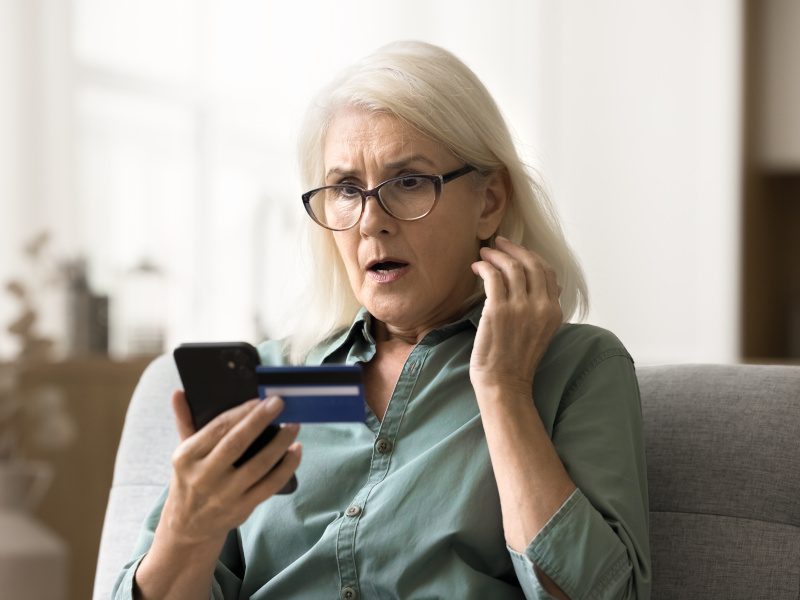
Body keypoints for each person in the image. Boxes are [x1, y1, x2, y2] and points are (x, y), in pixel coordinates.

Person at [114, 40, 650, 599]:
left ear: (489, 201)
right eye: (346, 189)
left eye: (409, 181)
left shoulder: (577, 369)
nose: (371, 221)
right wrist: (188, 527)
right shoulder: (269, 377)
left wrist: (504, 388)